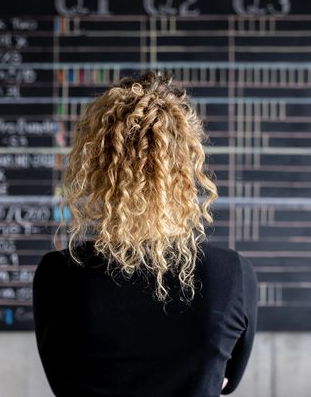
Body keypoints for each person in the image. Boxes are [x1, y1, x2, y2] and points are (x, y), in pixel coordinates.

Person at [33, 71, 258, 397]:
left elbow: (62, 383)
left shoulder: (58, 275)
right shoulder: (231, 275)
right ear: (185, 164)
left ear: (96, 165)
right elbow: (227, 382)